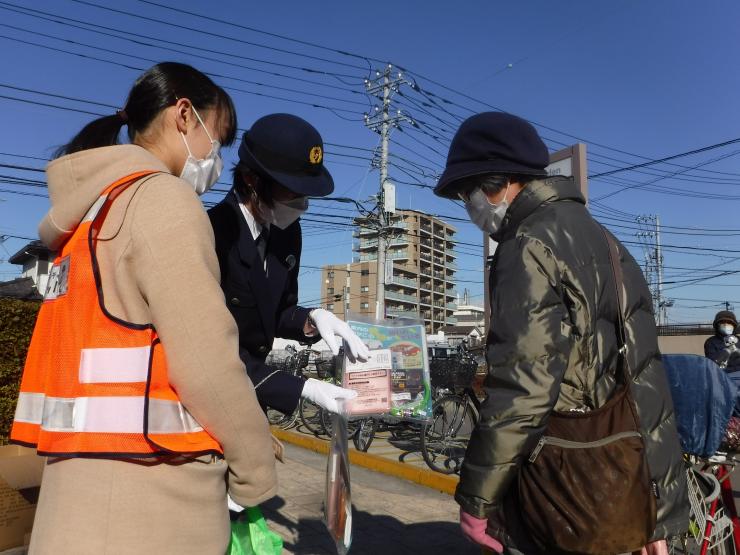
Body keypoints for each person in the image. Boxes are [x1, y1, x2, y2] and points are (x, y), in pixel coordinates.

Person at [10, 62, 277, 554]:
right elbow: (205, 358)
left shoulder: (89, 214)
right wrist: (255, 472)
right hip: (152, 499)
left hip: (76, 496)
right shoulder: (161, 200)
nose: (215, 157)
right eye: (217, 136)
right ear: (183, 115)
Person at [433, 112, 688, 555]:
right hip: (618, 478)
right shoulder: (608, 242)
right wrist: (657, 512)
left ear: (499, 185)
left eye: (467, 193)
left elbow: (521, 388)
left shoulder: (526, 246)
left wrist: (477, 498)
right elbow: (645, 378)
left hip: (562, 480)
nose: (470, 205)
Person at [208, 113, 369, 417]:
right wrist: (299, 388)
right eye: (292, 189)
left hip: (251, 403)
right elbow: (211, 350)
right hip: (210, 402)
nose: (302, 203)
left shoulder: (287, 231)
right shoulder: (214, 234)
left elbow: (278, 310)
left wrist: (312, 319)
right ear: (251, 179)